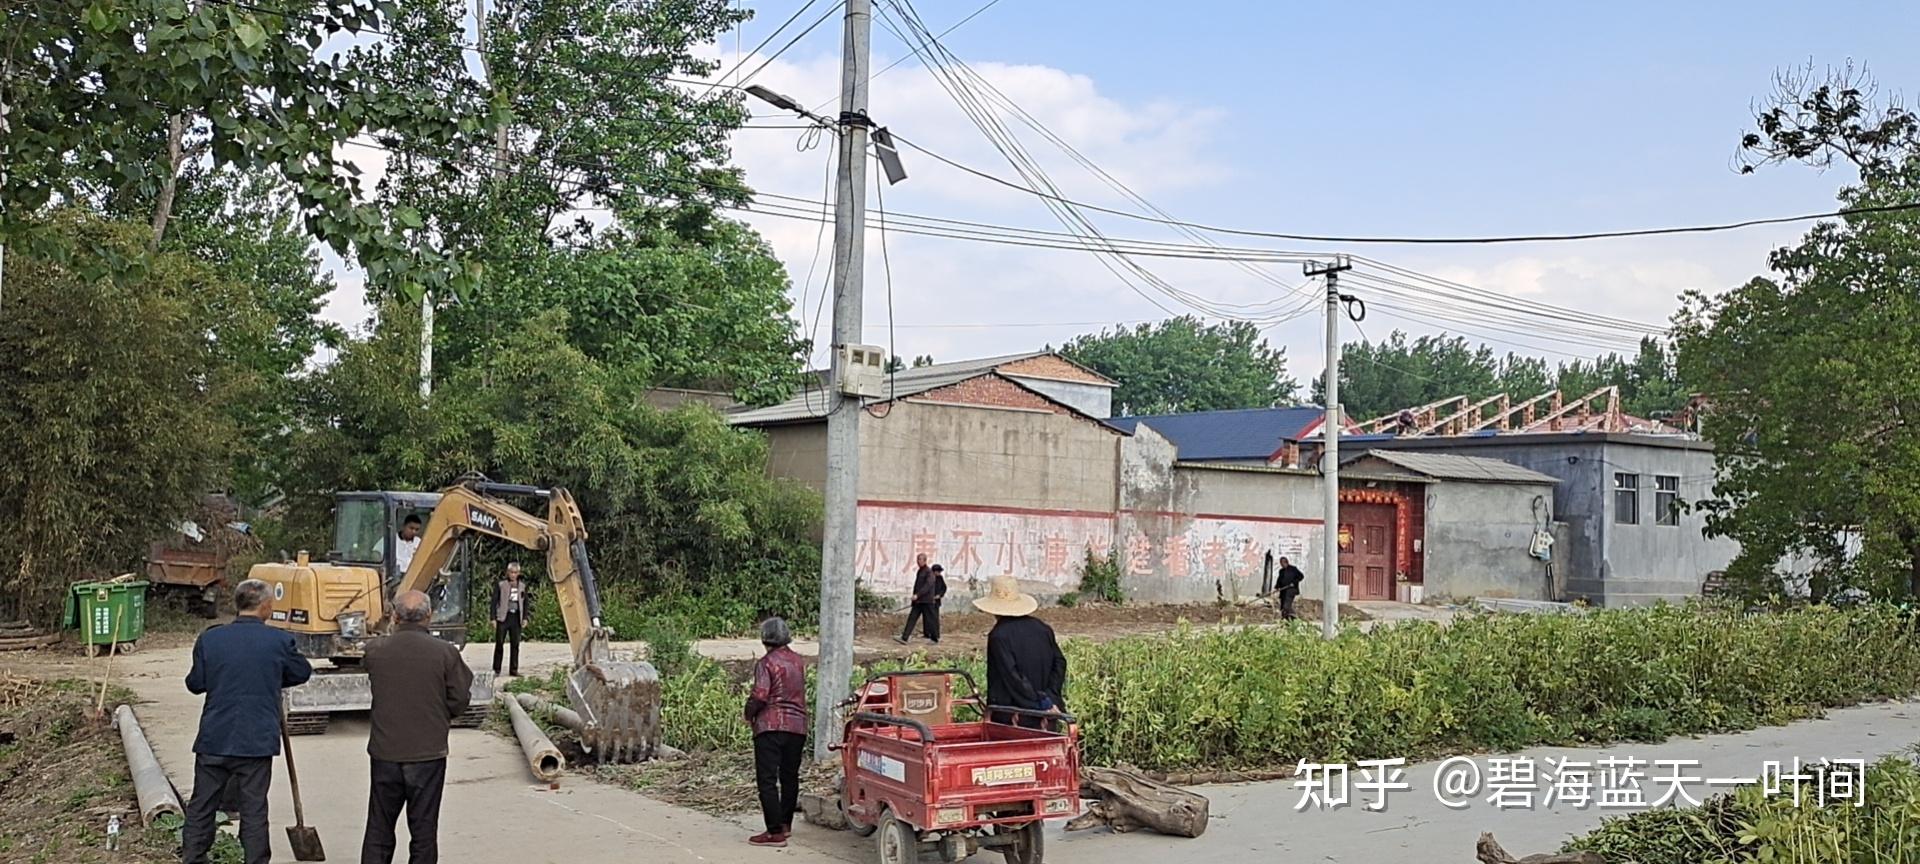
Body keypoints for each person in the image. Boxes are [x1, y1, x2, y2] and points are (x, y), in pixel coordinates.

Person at [181, 579, 314, 864]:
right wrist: (272, 677)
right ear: (265, 606)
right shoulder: (279, 641)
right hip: (256, 740)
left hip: (215, 737)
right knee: (254, 808)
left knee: (202, 803)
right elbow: (302, 672)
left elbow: (195, 683)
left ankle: (193, 857)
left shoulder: (211, 638)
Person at [361, 590, 475, 864]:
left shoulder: (375, 651)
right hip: (427, 753)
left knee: (379, 826)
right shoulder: (445, 653)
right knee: (423, 830)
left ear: (395, 615)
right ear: (429, 616)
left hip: (385, 751)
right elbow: (460, 697)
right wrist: (440, 716)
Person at [744, 617, 808, 848]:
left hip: (770, 727)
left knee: (767, 780)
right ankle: (785, 825)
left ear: (764, 639)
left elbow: (760, 694)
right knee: (789, 777)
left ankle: (774, 833)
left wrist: (748, 713)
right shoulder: (798, 662)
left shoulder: (766, 663)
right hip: (797, 727)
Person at [974, 576, 1066, 728]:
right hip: (1047, 715)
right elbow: (1060, 663)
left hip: (1012, 717)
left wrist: (1037, 701)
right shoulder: (1042, 628)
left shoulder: (999, 636)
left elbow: (1012, 676)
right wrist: (1049, 697)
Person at [896, 555, 946, 644]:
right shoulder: (920, 571)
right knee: (912, 618)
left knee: (931, 620)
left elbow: (928, 586)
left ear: (925, 561)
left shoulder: (929, 572)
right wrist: (915, 597)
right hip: (919, 601)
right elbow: (917, 586)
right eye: (917, 559)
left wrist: (918, 595)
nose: (918, 561)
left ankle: (934, 639)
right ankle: (905, 637)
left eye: (920, 560)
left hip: (927, 601)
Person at [493, 562, 531, 677]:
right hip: (504, 617)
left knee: (515, 645)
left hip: (516, 617)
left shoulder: (522, 586)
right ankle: (496, 669)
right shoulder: (501, 585)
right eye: (511, 572)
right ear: (507, 572)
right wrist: (493, 618)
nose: (513, 575)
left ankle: (513, 669)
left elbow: (525, 603)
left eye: (515, 573)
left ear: (518, 573)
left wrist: (525, 617)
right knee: (499, 643)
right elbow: (494, 601)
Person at [1275, 556, 1307, 621]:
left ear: (1286, 562)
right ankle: (1286, 620)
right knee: (1282, 607)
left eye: (1282, 563)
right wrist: (1277, 587)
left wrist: (1294, 582)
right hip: (1283, 591)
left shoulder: (1293, 569)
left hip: (1291, 590)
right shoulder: (1281, 571)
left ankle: (1294, 617)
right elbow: (1279, 580)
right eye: (1280, 563)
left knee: (1286, 606)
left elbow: (1301, 576)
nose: (1281, 564)